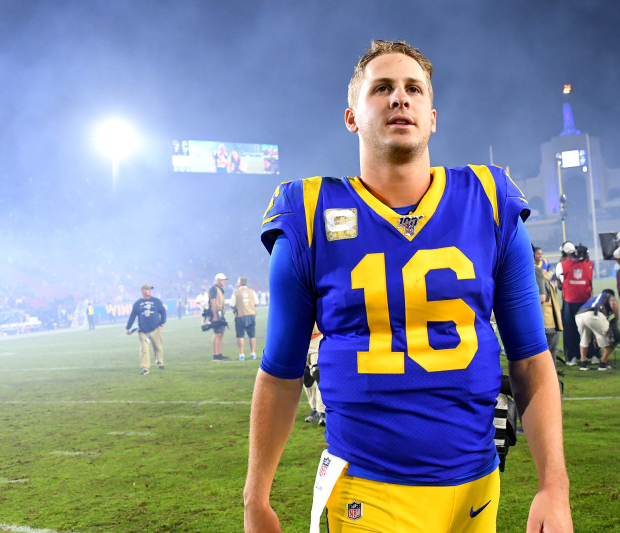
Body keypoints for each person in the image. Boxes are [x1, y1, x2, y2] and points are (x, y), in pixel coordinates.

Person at [244, 40, 572, 533]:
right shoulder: (307, 212)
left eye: (413, 88)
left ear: (432, 116)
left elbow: (530, 356)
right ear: (352, 117)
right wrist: (255, 499)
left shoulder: (489, 199)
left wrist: (554, 487)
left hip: (476, 488)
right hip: (365, 489)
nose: (400, 98)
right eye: (382, 88)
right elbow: (279, 372)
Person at [555, 242, 594, 366]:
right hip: (586, 301)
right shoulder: (589, 265)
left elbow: (560, 284)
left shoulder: (561, 265)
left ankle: (572, 357)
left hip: (570, 302)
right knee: (589, 328)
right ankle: (593, 355)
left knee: (570, 330)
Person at [125, 284, 166, 375]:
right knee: (144, 350)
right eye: (148, 290)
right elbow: (132, 316)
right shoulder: (137, 303)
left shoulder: (157, 301)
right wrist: (128, 327)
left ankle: (160, 363)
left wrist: (161, 324)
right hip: (142, 330)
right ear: (142, 291)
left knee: (158, 347)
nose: (150, 291)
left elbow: (163, 312)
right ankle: (145, 368)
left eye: (150, 290)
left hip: (155, 329)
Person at [575, 289, 619, 371]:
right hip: (594, 314)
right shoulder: (608, 295)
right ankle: (603, 364)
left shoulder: (595, 297)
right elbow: (613, 303)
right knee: (612, 338)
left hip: (579, 316)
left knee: (584, 338)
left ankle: (583, 364)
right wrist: (617, 318)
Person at [534, 245, 562, 366]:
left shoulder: (536, 271)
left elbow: (542, 297)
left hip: (546, 320)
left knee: (544, 360)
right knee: (550, 357)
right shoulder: (542, 272)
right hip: (552, 320)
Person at [229, 277, 259, 360]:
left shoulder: (236, 293)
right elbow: (256, 303)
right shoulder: (252, 291)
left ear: (240, 283)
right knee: (252, 336)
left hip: (240, 316)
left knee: (240, 336)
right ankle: (253, 353)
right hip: (251, 315)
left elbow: (232, 305)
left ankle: (241, 355)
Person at [302, 324, 325, 426]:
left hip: (317, 338)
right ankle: (315, 409)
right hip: (301, 340)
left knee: (318, 373)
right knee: (306, 377)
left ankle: (323, 412)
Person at [209, 273, 230, 361]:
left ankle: (219, 353)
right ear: (217, 280)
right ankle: (215, 355)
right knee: (217, 333)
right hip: (216, 312)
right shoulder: (213, 289)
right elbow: (212, 302)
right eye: (222, 280)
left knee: (221, 333)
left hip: (220, 312)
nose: (224, 281)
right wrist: (214, 315)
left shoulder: (220, 289)